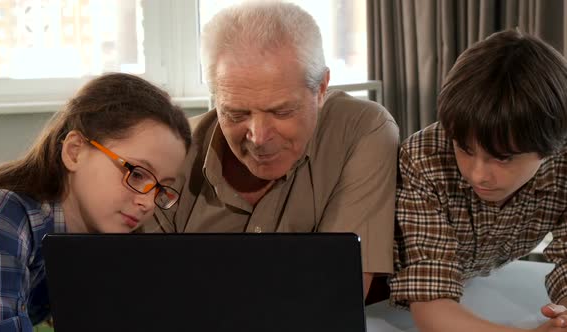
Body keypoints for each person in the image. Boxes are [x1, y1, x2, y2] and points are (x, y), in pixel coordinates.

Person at [145, 1, 399, 299]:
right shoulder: (172, 148)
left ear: (320, 89)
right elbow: (141, 289)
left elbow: (334, 296)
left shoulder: (362, 129)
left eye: (281, 112)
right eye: (236, 114)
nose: (259, 137)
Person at [0, 73, 191, 331]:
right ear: (75, 151)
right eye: (136, 173)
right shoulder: (2, 215)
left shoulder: (99, 241)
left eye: (161, 189)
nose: (148, 203)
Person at [391, 29, 567, 332]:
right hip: (375, 290)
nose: (477, 174)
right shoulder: (423, 158)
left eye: (502, 157)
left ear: (550, 147)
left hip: (472, 281)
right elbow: (431, 305)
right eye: (464, 149)